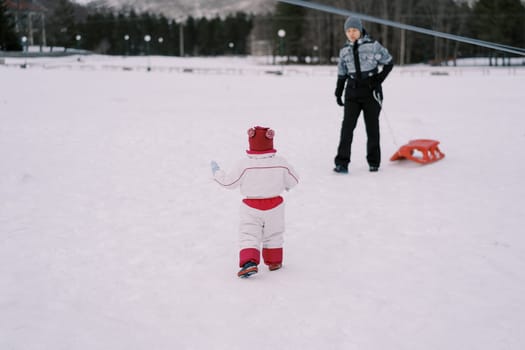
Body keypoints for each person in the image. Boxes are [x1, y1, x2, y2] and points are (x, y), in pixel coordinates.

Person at [211, 126, 299, 278]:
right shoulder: (281, 162)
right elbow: (294, 180)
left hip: (251, 207)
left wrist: (217, 173)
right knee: (274, 233)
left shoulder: (244, 164)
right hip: (275, 206)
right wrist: (286, 185)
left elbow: (229, 183)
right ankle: (274, 261)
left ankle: (249, 263)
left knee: (249, 234)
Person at [333, 16, 394, 173]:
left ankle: (374, 162)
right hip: (352, 91)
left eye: (354, 30)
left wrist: (378, 80)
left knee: (372, 128)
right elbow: (342, 73)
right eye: (348, 31)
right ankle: (342, 163)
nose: (351, 34)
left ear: (360, 30)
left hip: (370, 91)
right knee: (347, 128)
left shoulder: (373, 46)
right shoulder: (344, 51)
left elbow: (389, 62)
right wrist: (338, 92)